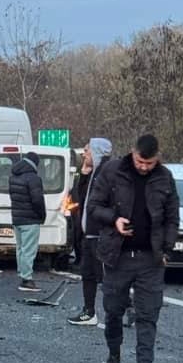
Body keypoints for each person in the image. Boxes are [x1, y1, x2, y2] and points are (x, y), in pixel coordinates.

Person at [87, 133, 179, 363]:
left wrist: (167, 250)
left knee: (148, 315)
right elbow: (93, 206)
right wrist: (114, 219)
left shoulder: (165, 178)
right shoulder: (112, 171)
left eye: (149, 163)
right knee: (114, 310)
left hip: (151, 257)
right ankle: (113, 355)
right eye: (140, 161)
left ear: (157, 158)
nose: (144, 167)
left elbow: (173, 217)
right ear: (133, 153)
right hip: (117, 255)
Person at [67, 138, 112, 325]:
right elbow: (82, 198)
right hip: (89, 234)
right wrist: (84, 175)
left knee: (106, 278)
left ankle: (129, 306)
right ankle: (89, 311)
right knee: (88, 274)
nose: (84, 154)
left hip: (100, 235)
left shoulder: (107, 173)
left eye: (86, 150)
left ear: (96, 152)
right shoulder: (93, 173)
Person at [8, 151, 46, 292]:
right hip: (31, 219)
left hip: (17, 218)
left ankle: (22, 274)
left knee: (20, 249)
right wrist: (42, 215)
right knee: (29, 250)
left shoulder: (13, 177)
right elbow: (37, 200)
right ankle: (27, 279)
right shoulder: (33, 178)